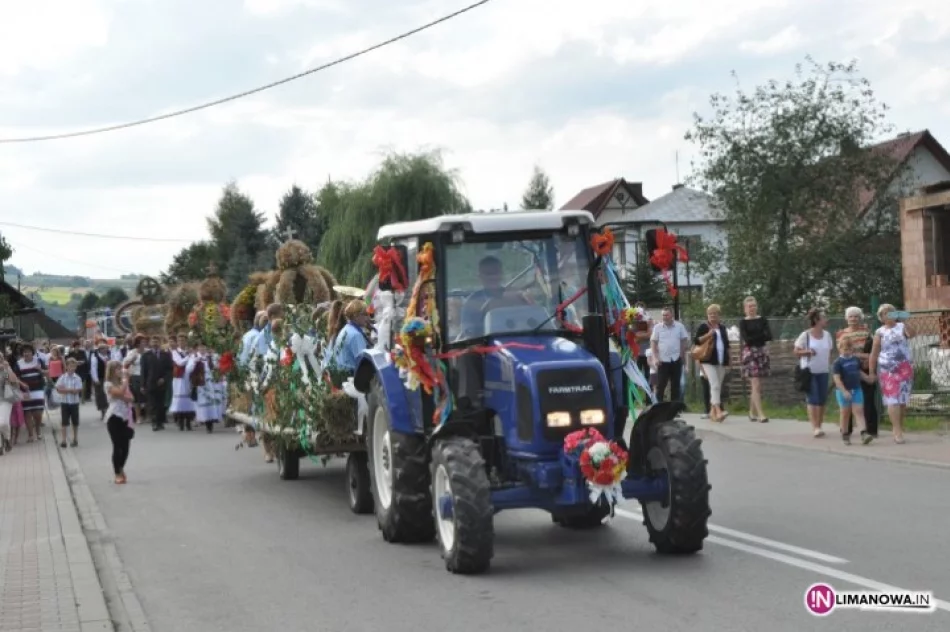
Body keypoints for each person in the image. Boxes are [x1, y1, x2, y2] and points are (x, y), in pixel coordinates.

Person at [869, 303, 916, 444]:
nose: (889, 315)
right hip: (887, 370)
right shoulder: (880, 332)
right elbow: (874, 353)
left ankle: (899, 427)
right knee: (892, 400)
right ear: (881, 318)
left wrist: (905, 321)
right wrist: (871, 371)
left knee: (902, 401)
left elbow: (912, 334)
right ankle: (896, 430)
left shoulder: (902, 327)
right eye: (885, 313)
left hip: (904, 368)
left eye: (891, 312)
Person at [458, 256, 529, 339]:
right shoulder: (472, 302)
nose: (493, 277)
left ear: (502, 274)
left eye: (496, 273)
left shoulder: (516, 296)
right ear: (480, 277)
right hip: (486, 345)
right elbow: (468, 332)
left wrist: (528, 301)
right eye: (488, 274)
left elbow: (532, 322)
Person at [836, 307, 878, 438]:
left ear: (860, 318)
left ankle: (870, 430)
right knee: (847, 402)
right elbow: (841, 352)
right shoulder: (841, 334)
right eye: (851, 316)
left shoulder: (866, 332)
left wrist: (864, 360)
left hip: (864, 367)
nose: (853, 319)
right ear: (846, 319)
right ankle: (846, 431)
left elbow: (872, 352)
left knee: (867, 400)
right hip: (847, 369)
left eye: (856, 316)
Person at [794, 308, 833, 438]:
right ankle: (815, 427)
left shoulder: (827, 335)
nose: (826, 320)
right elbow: (796, 351)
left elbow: (830, 351)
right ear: (817, 320)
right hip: (809, 371)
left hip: (823, 370)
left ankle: (819, 424)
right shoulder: (805, 335)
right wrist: (807, 352)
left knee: (822, 399)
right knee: (813, 398)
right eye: (824, 318)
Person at [831, 336, 873, 445]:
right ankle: (845, 434)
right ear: (839, 349)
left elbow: (858, 372)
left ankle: (864, 433)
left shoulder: (855, 360)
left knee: (858, 411)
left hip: (856, 389)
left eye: (849, 349)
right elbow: (837, 379)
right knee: (845, 413)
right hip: (843, 391)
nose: (847, 351)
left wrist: (868, 378)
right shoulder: (837, 363)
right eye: (845, 349)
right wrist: (844, 391)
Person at [693, 304, 731, 422]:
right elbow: (696, 341)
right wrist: (708, 335)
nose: (713, 316)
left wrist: (729, 359)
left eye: (715, 314)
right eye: (710, 314)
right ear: (707, 315)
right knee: (714, 385)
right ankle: (718, 410)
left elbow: (727, 344)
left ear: (719, 315)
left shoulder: (722, 328)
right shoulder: (704, 327)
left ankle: (712, 412)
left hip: (721, 360)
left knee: (717, 386)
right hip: (707, 360)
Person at [738, 296, 772, 422]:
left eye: (754, 306)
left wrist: (757, 337)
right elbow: (747, 339)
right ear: (745, 309)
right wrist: (760, 336)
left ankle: (751, 412)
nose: (752, 308)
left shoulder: (762, 320)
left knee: (757, 386)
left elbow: (769, 335)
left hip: (762, 352)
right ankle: (761, 414)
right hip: (750, 353)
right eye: (749, 306)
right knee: (755, 383)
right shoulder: (743, 322)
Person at [323, 300, 372, 380]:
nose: (368, 318)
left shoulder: (346, 328)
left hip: (339, 376)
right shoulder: (356, 335)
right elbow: (363, 363)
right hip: (349, 377)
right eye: (365, 314)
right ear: (356, 316)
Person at [104, 361, 135, 484]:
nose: (119, 371)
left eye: (120, 369)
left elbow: (131, 398)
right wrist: (126, 380)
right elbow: (119, 393)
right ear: (111, 371)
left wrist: (124, 394)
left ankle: (121, 467)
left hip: (125, 417)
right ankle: (117, 472)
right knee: (117, 446)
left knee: (126, 446)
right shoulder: (108, 384)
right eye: (117, 369)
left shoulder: (122, 383)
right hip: (114, 416)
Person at [649, 307, 689, 403]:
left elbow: (684, 340)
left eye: (666, 315)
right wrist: (655, 358)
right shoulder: (657, 327)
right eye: (663, 315)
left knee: (676, 385)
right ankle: (659, 407)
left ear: (672, 316)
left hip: (676, 359)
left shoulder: (679, 326)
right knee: (661, 385)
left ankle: (674, 408)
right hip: (663, 360)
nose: (664, 317)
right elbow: (653, 342)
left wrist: (681, 353)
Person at [140, 335, 173, 431]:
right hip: (150, 382)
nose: (155, 344)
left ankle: (160, 421)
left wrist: (164, 378)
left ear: (160, 343)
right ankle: (154, 422)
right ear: (150, 343)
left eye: (157, 342)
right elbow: (143, 371)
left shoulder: (166, 355)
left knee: (161, 404)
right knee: (152, 404)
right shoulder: (146, 356)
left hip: (162, 383)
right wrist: (142, 385)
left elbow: (169, 370)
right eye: (153, 342)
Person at [17, 343, 46, 442]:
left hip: (38, 389)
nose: (26, 353)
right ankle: (30, 435)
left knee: (37, 412)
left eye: (28, 351)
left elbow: (47, 372)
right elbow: (15, 377)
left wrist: (40, 369)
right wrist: (22, 384)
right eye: (24, 352)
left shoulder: (38, 361)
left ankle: (37, 428)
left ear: (32, 352)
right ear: (22, 353)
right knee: (27, 412)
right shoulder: (19, 363)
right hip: (25, 391)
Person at [169, 335, 196, 430]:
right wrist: (189, 356)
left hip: (188, 377)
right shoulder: (174, 352)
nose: (181, 342)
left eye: (183, 340)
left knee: (188, 399)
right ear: (177, 342)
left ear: (186, 341)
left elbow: (193, 362)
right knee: (180, 400)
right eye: (179, 340)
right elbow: (180, 363)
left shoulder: (190, 352)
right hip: (179, 379)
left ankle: (188, 422)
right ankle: (180, 422)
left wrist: (191, 359)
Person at [56, 358, 83, 448]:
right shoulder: (62, 377)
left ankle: (75, 438)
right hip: (65, 402)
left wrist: (68, 390)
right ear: (66, 367)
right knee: (64, 422)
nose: (72, 368)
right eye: (70, 366)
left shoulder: (77, 378)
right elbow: (59, 389)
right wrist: (70, 390)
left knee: (75, 422)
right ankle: (64, 440)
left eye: (74, 366)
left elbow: (78, 389)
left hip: (74, 402)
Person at [0, 355, 22, 455]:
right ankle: (1, 446)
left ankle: (7, 438)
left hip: (5, 399)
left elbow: (13, 381)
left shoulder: (4, 371)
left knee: (3, 423)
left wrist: (7, 368)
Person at [123, 335, 147, 424]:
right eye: (142, 342)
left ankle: (147, 415)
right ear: (138, 343)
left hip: (146, 376)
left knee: (146, 397)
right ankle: (138, 417)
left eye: (145, 341)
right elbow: (125, 364)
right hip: (135, 376)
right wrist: (132, 360)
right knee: (137, 398)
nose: (144, 343)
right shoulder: (132, 352)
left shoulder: (148, 352)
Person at [89, 342, 111, 420]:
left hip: (109, 378)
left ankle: (109, 411)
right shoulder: (95, 356)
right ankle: (103, 411)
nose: (106, 350)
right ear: (100, 349)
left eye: (106, 348)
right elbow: (93, 369)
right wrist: (96, 379)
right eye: (104, 348)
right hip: (100, 378)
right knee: (100, 395)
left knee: (108, 394)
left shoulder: (109, 356)